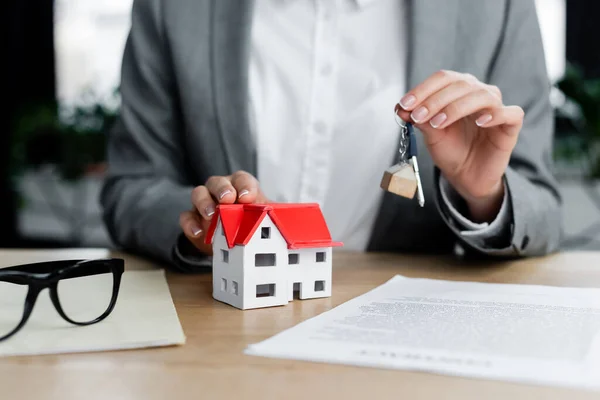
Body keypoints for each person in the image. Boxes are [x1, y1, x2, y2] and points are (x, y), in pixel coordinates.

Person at [100, 0, 563, 272]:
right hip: (220, 331)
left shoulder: (496, 9)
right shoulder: (174, 9)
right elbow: (132, 187)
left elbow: (542, 207)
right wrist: (201, 224)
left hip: (406, 337)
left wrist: (483, 194)